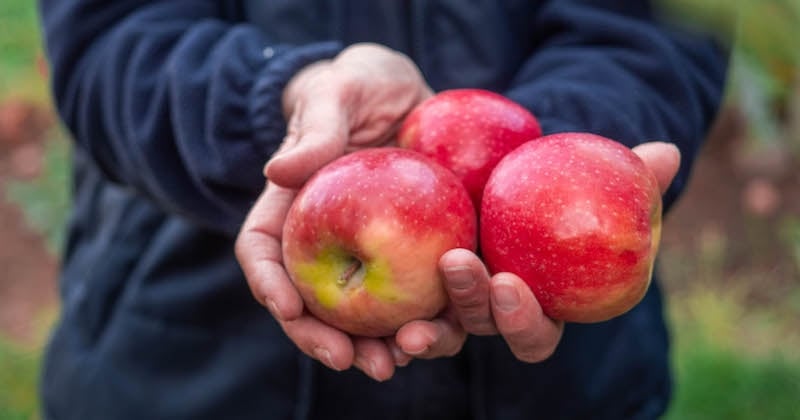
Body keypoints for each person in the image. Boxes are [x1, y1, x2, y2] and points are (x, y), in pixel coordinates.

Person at [37, 1, 728, 419]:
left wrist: (561, 163)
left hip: (556, 387)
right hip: (188, 363)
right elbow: (111, 38)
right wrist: (280, 97)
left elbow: (656, 27)